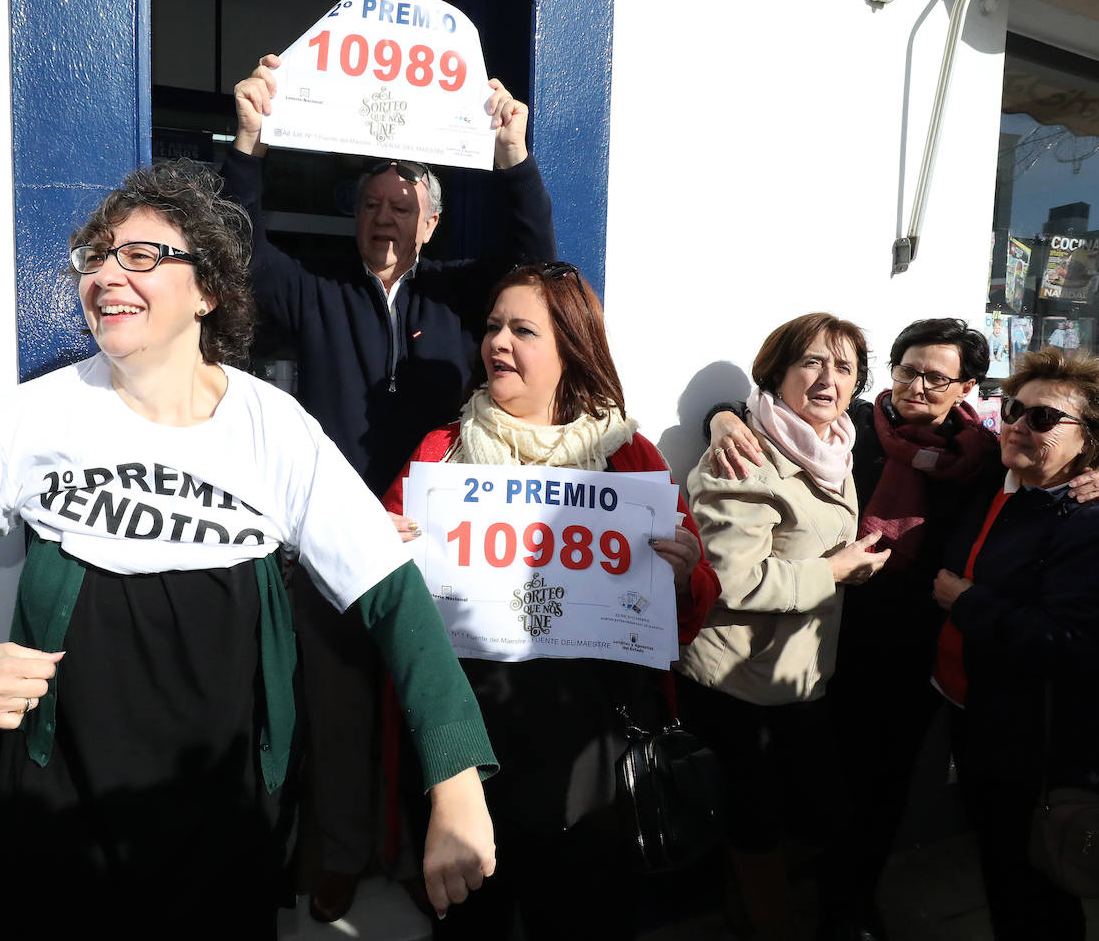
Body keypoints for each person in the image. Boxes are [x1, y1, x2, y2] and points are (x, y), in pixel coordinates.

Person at [0, 161, 497, 940]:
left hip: (228, 812)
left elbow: (392, 596)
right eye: (96, 256)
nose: (107, 274)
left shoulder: (272, 427)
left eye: (140, 255)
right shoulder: (33, 420)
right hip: (60, 807)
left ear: (207, 289)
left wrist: (456, 776)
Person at [222, 54, 556, 920]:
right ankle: (337, 855)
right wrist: (249, 144)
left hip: (444, 543)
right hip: (333, 542)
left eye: (401, 207)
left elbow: (538, 262)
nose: (383, 218)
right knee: (336, 709)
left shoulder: (458, 291)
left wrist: (513, 154)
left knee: (425, 704)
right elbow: (240, 254)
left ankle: (418, 851)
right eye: (370, 205)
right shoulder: (316, 289)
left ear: (431, 223)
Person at [704, 318, 1099, 938]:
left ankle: (850, 908)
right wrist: (721, 418)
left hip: (918, 655)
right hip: (825, 636)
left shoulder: (988, 457)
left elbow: (1082, 482)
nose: (918, 386)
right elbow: (768, 410)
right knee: (809, 790)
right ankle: (783, 902)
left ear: (966, 388)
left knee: (884, 792)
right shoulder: (853, 429)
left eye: (938, 377)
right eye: (907, 370)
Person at [382, 262, 720, 938]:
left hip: (591, 752)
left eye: (522, 329)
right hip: (468, 746)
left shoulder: (630, 459)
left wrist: (685, 576)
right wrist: (383, 550)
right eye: (492, 327)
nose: (498, 342)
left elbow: (683, 620)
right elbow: (385, 603)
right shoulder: (440, 454)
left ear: (570, 346)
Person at [932, 349, 1099, 941]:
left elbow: (1078, 646)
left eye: (1042, 419)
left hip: (1038, 745)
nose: (1016, 424)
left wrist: (968, 603)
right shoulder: (998, 481)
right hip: (974, 717)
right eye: (1013, 409)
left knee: (1034, 890)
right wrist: (725, 417)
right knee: (1003, 875)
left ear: (1092, 440)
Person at [679, 312, 889, 941]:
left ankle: (742, 905)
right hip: (737, 682)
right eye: (812, 362)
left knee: (821, 813)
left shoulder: (837, 446)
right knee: (759, 825)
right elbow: (732, 581)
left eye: (845, 367)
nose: (829, 379)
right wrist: (837, 569)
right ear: (777, 373)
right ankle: (767, 923)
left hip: (798, 675)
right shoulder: (742, 455)